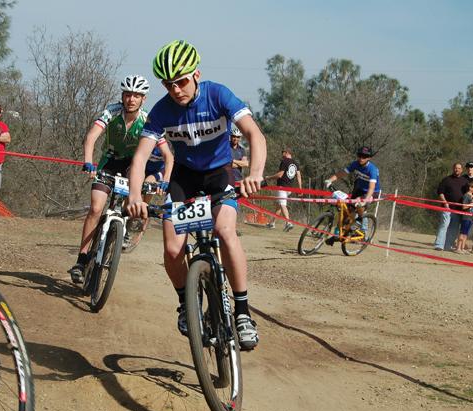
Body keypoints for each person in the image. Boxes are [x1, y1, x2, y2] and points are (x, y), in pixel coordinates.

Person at [126, 40, 266, 351]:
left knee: (224, 231)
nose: (176, 89)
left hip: (219, 175)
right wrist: (135, 194)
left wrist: (255, 173)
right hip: (184, 179)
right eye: (168, 84)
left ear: (196, 74)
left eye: (182, 81)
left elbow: (254, 133)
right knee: (173, 248)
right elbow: (140, 157)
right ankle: (185, 304)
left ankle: (242, 312)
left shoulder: (218, 94)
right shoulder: (162, 111)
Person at [68, 75, 171, 283]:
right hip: (109, 162)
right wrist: (88, 162)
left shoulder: (148, 120)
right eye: (127, 94)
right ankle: (81, 258)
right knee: (96, 208)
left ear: (143, 99)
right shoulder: (112, 111)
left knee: (131, 204)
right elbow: (91, 137)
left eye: (136, 96)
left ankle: (122, 229)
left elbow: (168, 156)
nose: (131, 99)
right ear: (122, 96)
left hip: (131, 168)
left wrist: (165, 180)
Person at [323, 146, 380, 239]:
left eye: (364, 156)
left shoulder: (372, 169)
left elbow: (372, 187)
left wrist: (364, 201)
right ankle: (342, 232)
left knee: (359, 204)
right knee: (348, 210)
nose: (361, 158)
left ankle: (359, 221)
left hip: (372, 191)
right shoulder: (355, 164)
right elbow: (342, 173)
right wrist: (330, 180)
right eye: (359, 155)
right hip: (359, 189)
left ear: (369, 158)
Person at [433, 162, 468, 251]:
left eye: (459, 168)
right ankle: (439, 245)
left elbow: (469, 194)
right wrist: (445, 202)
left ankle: (447, 246)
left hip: (458, 209)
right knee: (444, 224)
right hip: (447, 208)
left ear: (462, 170)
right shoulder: (446, 180)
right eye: (456, 168)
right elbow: (440, 192)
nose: (457, 170)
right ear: (453, 169)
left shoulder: (465, 182)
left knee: (454, 228)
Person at [266, 148, 301, 231]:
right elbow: (299, 176)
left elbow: (280, 175)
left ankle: (288, 223)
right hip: (289, 188)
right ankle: (272, 223)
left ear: (287, 153)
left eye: (283, 152)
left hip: (282, 186)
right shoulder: (296, 163)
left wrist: (269, 177)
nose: (282, 154)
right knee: (279, 206)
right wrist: (300, 189)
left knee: (282, 205)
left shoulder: (284, 161)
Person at [455, 180, 473, 254]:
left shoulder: (471, 196)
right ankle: (458, 248)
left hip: (470, 217)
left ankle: (462, 247)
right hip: (466, 217)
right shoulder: (466, 196)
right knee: (462, 233)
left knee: (466, 234)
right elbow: (464, 207)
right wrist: (472, 204)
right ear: (470, 188)